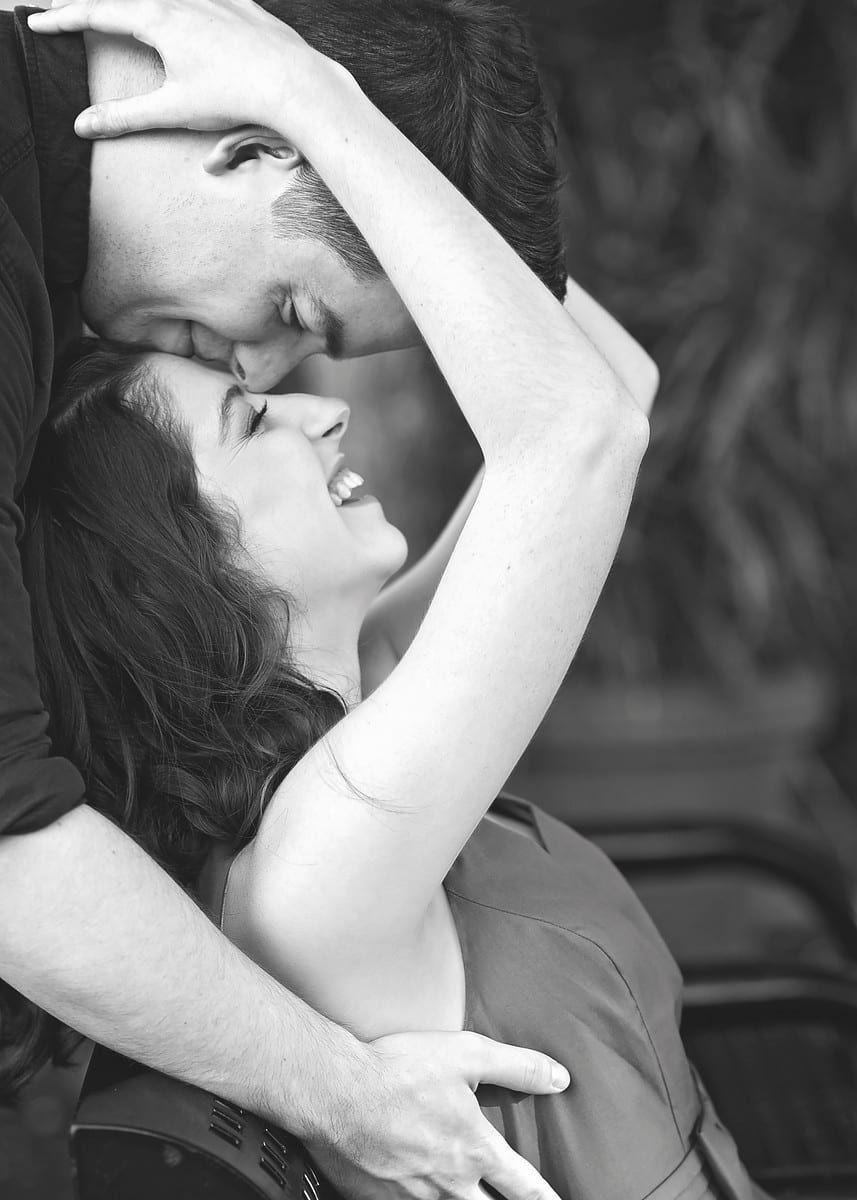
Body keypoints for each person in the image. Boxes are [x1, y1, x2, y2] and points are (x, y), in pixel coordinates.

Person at [20, 5, 763, 1199]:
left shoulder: (354, 715)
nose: (317, 403)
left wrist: (380, 138)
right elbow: (578, 430)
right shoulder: (323, 863)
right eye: (250, 416)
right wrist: (308, 100)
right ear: (170, 566)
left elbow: (607, 377)